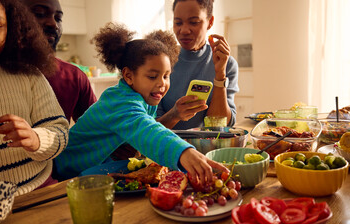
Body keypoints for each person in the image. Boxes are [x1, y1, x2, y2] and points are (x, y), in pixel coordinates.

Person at [54, 23, 229, 185]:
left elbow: (145, 129)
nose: (162, 83)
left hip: (99, 164)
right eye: (152, 76)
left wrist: (175, 114)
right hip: (67, 171)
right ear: (129, 76)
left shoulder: (142, 95)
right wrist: (183, 151)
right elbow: (146, 129)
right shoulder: (120, 102)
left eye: (166, 76)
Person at [0, 0, 68, 196]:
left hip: (39, 192)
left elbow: (60, 132)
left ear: (11, 28)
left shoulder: (28, 75)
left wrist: (35, 139)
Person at [156, 0, 239, 130]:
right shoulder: (162, 62)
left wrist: (220, 76)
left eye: (194, 22)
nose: (184, 30)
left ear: (210, 22)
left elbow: (221, 124)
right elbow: (149, 126)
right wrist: (175, 115)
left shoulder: (227, 64)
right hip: (166, 147)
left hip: (207, 148)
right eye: (178, 22)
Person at [15, 0, 97, 123]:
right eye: (40, 14)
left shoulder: (74, 77)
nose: (53, 24)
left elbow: (95, 131)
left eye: (58, 18)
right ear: (14, 19)